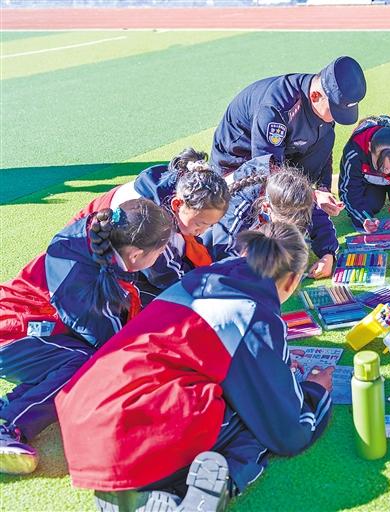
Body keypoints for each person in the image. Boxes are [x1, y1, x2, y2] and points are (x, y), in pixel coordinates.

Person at [55, 222, 333, 512]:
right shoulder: (254, 312)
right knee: (257, 416)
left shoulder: (200, 276)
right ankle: (209, 489)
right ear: (292, 280)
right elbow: (288, 433)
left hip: (83, 422)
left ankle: (133, 492)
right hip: (130, 433)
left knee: (234, 397)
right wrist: (316, 392)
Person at [0, 200, 173, 475]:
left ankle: (9, 406)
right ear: (137, 254)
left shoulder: (108, 241)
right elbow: (109, 344)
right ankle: (8, 423)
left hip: (41, 328)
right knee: (88, 364)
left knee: (84, 359)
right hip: (13, 331)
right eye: (160, 252)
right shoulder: (79, 273)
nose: (162, 257)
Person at [210, 56, 367, 217]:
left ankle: (301, 201)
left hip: (282, 151)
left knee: (325, 136)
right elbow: (265, 166)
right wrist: (310, 195)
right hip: (239, 163)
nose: (335, 117)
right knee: (255, 219)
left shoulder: (322, 102)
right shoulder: (275, 108)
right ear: (315, 96)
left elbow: (324, 148)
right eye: (334, 110)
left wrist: (323, 188)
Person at [74, 148, 231, 302]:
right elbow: (166, 277)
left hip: (116, 246)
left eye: (209, 225)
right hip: (88, 255)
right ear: (177, 204)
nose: (202, 231)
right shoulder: (151, 223)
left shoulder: (183, 187)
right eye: (200, 224)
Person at [202, 164, 338, 279]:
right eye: (284, 225)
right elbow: (225, 253)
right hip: (213, 238)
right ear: (266, 208)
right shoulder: (239, 206)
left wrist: (327, 254)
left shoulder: (298, 197)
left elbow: (320, 222)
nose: (288, 231)